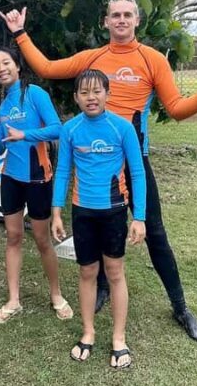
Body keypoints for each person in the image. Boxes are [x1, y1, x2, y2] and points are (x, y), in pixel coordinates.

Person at [0, 0, 197, 341]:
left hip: (133, 163)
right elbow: (48, 68)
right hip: (94, 165)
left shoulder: (152, 59)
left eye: (128, 14)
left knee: (156, 233)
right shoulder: (94, 58)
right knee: (99, 227)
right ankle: (100, 290)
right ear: (105, 21)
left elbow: (175, 108)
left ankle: (180, 307)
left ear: (137, 20)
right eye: (115, 14)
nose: (121, 19)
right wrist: (20, 33)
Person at [51, 69, 146, 369]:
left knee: (115, 273)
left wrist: (139, 217)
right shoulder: (70, 129)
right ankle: (88, 332)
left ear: (107, 93)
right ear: (76, 97)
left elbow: (138, 172)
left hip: (115, 211)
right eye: (84, 92)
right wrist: (56, 211)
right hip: (83, 212)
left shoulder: (121, 128)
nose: (91, 97)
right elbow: (63, 171)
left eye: (97, 91)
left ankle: (119, 338)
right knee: (87, 273)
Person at [0, 46, 72, 324]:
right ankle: (13, 300)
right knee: (13, 237)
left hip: (37, 176)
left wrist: (26, 134)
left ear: (18, 66)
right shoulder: (4, 104)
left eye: (6, 62)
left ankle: (56, 294)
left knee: (42, 239)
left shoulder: (35, 94)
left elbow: (58, 129)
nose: (1, 68)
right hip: (11, 178)